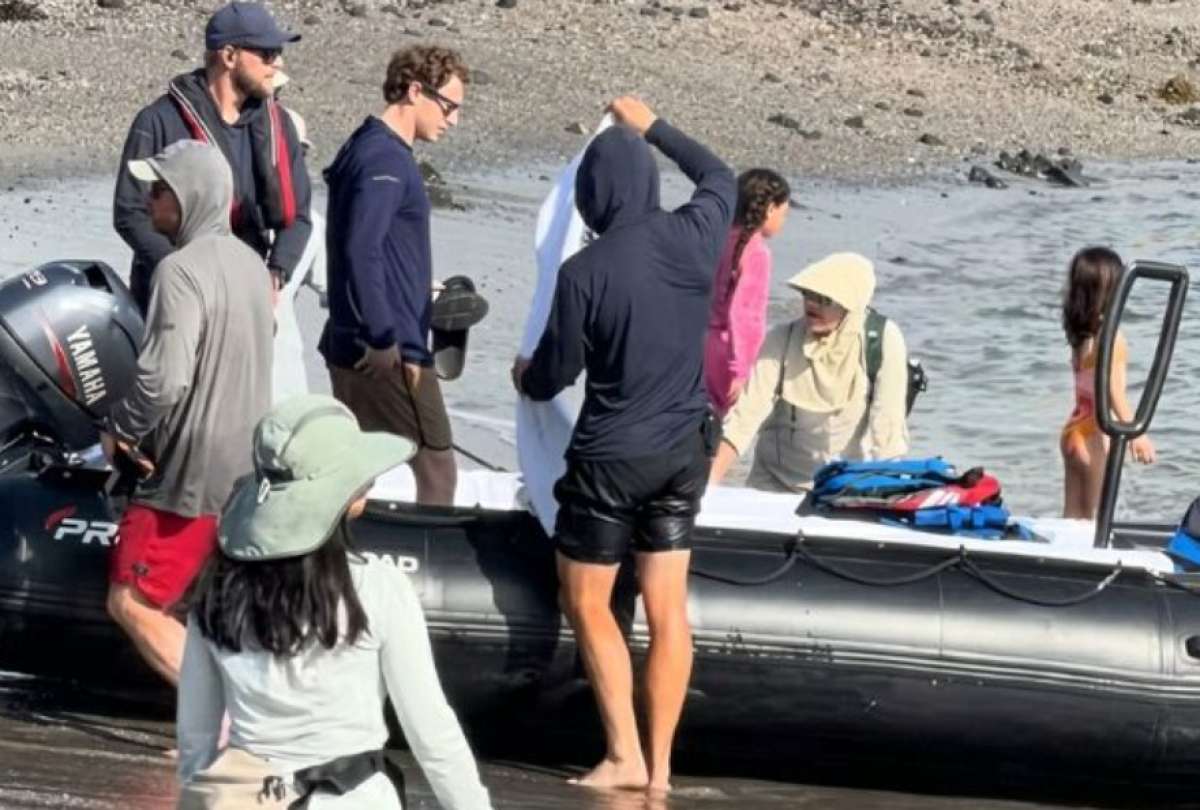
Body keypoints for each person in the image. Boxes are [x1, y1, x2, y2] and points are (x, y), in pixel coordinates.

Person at [515, 96, 736, 793]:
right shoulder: (697, 234)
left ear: (591, 197)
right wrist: (653, 125)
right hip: (685, 450)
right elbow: (719, 175)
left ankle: (623, 755)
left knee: (585, 601)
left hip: (612, 459)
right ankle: (663, 770)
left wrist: (525, 373)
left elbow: (556, 372)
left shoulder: (585, 273)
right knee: (667, 610)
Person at [177, 395, 491, 809]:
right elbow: (431, 732)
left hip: (245, 798)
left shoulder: (215, 591)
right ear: (351, 499)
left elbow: (195, 737)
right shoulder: (378, 587)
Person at [101, 140, 274, 686]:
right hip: (244, 470)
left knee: (131, 601)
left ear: (189, 197)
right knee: (192, 608)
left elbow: (164, 378)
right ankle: (211, 723)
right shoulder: (253, 267)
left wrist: (120, 430)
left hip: (188, 475)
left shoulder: (179, 271)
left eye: (158, 191)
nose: (148, 202)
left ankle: (225, 719)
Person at [320, 45, 468, 506]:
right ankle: (429, 572)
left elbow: (370, 246)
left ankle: (336, 563)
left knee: (357, 467)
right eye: (449, 107)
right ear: (414, 90)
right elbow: (360, 248)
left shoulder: (365, 145)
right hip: (389, 349)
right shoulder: (385, 159)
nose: (453, 120)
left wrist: (417, 286)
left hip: (353, 338)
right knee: (437, 469)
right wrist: (383, 335)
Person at [113, 0, 311, 314]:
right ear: (229, 56)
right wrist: (179, 270)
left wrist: (277, 270)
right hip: (174, 299)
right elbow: (129, 212)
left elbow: (298, 214)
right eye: (267, 54)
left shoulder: (280, 126)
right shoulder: (157, 121)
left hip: (242, 297)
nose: (278, 64)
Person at [709, 252, 909, 492]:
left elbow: (886, 429)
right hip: (775, 482)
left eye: (825, 299)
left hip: (846, 488)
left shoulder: (883, 340)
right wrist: (708, 486)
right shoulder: (781, 340)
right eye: (808, 295)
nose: (812, 304)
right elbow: (743, 419)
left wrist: (888, 497)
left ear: (851, 305)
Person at [1060, 247, 1155, 519]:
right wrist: (1137, 434)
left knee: (1072, 515)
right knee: (1095, 520)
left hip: (1074, 430)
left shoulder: (1081, 335)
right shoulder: (1112, 337)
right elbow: (1113, 392)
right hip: (1096, 434)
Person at [704, 169, 791, 416]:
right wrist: (742, 370)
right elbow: (744, 316)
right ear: (770, 209)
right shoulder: (756, 253)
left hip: (698, 348)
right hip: (726, 353)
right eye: (784, 214)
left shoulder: (717, 239)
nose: (783, 222)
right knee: (725, 434)